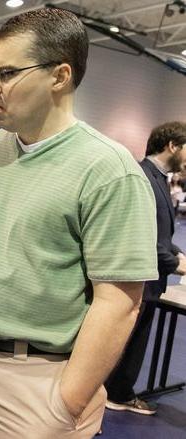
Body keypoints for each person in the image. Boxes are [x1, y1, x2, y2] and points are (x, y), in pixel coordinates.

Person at [0, 9, 157, 438]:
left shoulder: (108, 169)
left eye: (7, 73)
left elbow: (120, 300)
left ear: (60, 76)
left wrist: (68, 399)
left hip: (37, 381)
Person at [104, 121, 186, 415]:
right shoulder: (142, 177)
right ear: (173, 146)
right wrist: (177, 264)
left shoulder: (158, 177)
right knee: (123, 342)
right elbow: (140, 237)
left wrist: (179, 255)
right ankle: (116, 393)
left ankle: (118, 391)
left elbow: (161, 234)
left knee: (134, 341)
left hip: (152, 277)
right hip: (138, 277)